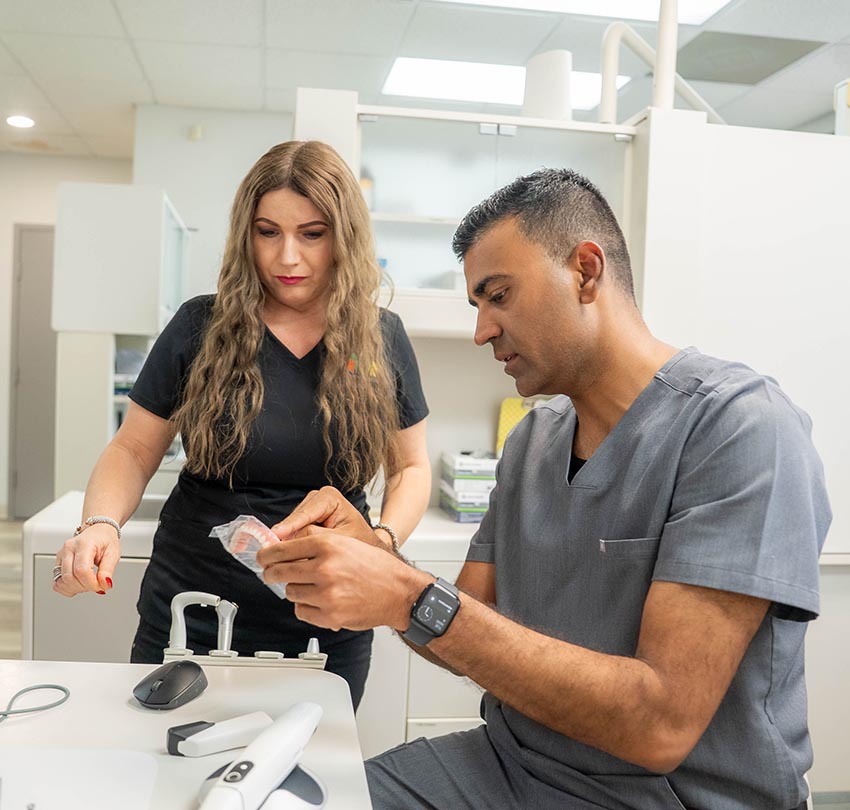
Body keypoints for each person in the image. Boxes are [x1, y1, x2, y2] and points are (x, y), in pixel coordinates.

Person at [256, 168, 830, 810]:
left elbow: (660, 723)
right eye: (477, 305)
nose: (482, 330)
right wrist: (378, 561)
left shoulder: (740, 430)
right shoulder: (534, 441)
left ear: (586, 271)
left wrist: (403, 592)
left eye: (499, 296)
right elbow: (457, 630)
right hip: (509, 766)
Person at [52, 140, 431, 709]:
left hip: (328, 614)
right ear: (245, 233)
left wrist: (379, 544)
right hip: (191, 610)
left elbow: (411, 467)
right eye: (268, 231)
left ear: (343, 236)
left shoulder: (383, 338)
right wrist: (99, 523)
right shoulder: (198, 326)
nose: (287, 258)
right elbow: (132, 449)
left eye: (312, 233)